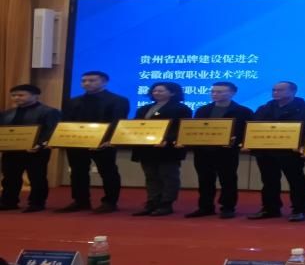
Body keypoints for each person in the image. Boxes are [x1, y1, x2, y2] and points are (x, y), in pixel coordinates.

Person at [247, 81, 305, 222]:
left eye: (280, 90)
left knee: (296, 181)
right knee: (269, 181)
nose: (275, 92)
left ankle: (299, 209)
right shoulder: (264, 108)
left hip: (291, 152)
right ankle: (270, 208)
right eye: (274, 90)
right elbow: (254, 128)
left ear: (293, 92)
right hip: (265, 152)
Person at [58, 71, 130, 213]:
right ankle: (80, 201)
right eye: (84, 81)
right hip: (77, 142)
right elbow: (66, 122)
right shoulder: (73, 101)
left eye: (92, 80)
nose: (87, 83)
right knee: (77, 172)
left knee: (108, 172)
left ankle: (110, 202)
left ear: (104, 82)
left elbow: (118, 122)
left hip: (104, 143)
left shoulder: (118, 100)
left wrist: (109, 140)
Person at [183, 82, 253, 219]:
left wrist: (236, 140)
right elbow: (194, 129)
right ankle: (205, 207)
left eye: (220, 92)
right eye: (213, 91)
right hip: (203, 151)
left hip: (227, 152)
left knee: (228, 180)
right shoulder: (203, 110)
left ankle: (228, 207)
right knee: (205, 180)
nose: (215, 94)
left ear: (232, 93)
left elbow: (247, 132)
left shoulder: (243, 111)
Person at [130, 82, 193, 217]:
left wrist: (168, 139)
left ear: (173, 93)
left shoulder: (181, 108)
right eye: (154, 91)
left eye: (161, 91)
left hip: (167, 149)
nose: (156, 93)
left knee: (168, 176)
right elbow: (136, 125)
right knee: (151, 176)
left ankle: (166, 203)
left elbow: (182, 128)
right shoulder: (145, 108)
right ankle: (152, 202)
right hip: (147, 148)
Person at [0, 85, 61, 213]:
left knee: (37, 177)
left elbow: (52, 130)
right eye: (14, 95)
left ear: (35, 96)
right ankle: (8, 201)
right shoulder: (7, 113)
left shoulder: (49, 112)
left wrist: (40, 144)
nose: (16, 98)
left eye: (21, 95)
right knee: (10, 177)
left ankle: (37, 203)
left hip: (36, 150)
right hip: (11, 150)